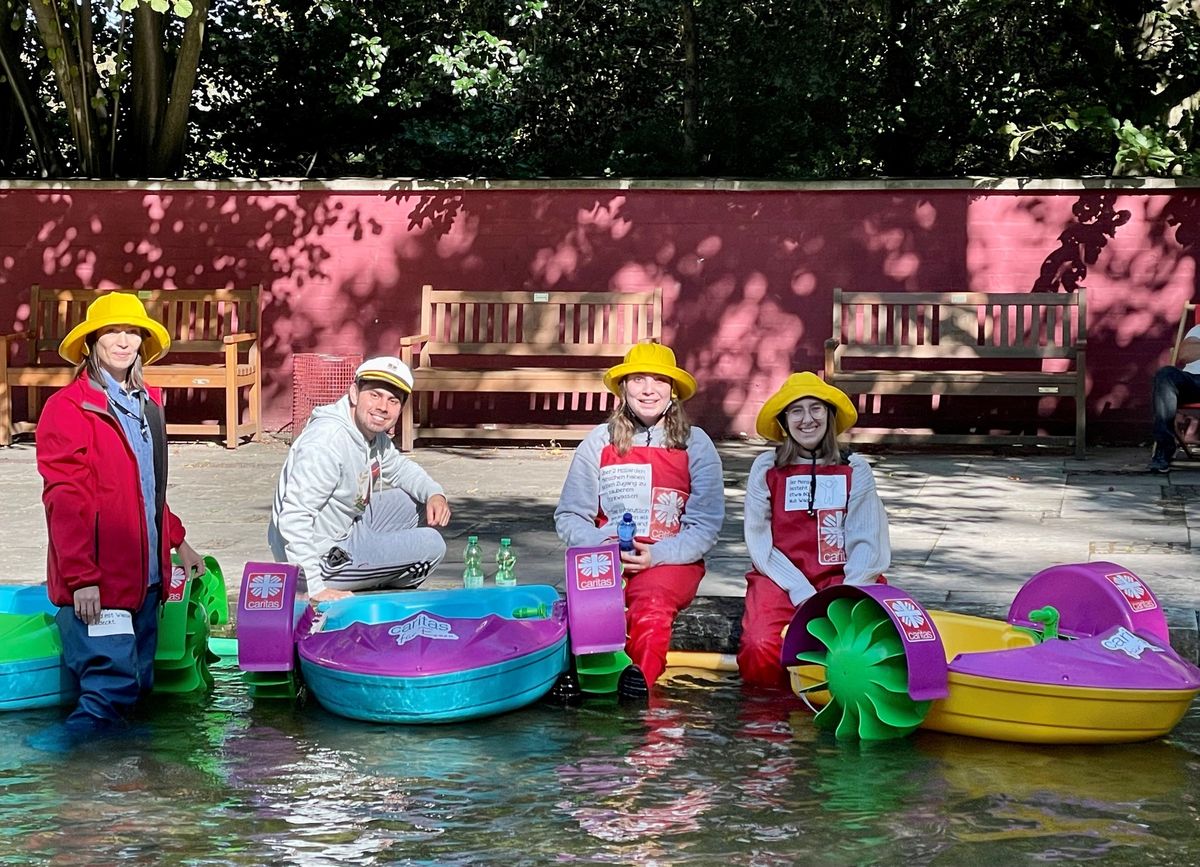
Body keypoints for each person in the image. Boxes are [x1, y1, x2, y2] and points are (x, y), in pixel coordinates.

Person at [37, 291, 206, 730]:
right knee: (108, 695)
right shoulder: (68, 409)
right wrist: (81, 580)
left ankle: (128, 796)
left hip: (147, 581)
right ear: (92, 341)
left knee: (138, 687)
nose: (124, 340)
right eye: (113, 330)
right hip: (98, 586)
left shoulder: (147, 406)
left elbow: (146, 491)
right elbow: (64, 502)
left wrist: (179, 541)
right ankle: (57, 780)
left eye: (133, 331)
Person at [554, 342, 724, 697]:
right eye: (638, 380)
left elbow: (705, 525)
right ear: (623, 388)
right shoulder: (597, 442)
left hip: (669, 560)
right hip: (606, 557)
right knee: (582, 609)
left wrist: (657, 556)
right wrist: (602, 545)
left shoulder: (696, 444)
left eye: (659, 380)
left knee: (651, 605)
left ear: (673, 389)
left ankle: (638, 691)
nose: (649, 389)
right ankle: (583, 693)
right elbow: (570, 515)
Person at [738, 372, 890, 690]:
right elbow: (759, 542)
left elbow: (867, 543)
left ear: (830, 415)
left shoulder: (856, 468)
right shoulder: (765, 469)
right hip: (779, 577)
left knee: (855, 650)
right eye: (796, 410)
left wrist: (847, 597)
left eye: (816, 409)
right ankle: (768, 727)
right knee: (759, 644)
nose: (807, 419)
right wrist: (800, 591)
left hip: (845, 579)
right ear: (783, 420)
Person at [268, 356, 450, 603]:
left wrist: (434, 493)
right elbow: (293, 518)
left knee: (419, 503)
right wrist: (314, 588)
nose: (383, 407)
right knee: (431, 546)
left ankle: (371, 567)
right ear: (354, 393)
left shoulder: (367, 432)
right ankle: (369, 590)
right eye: (374, 395)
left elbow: (398, 468)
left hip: (348, 522)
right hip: (320, 555)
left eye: (393, 401)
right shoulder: (326, 444)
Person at [1149, 321, 1200, 473]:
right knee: (1166, 374)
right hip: (1193, 380)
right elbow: (1185, 355)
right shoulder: (1198, 329)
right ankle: (1165, 448)